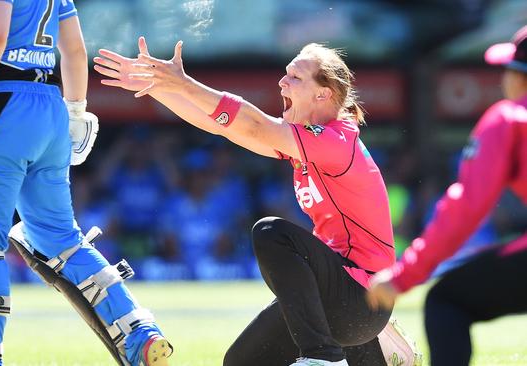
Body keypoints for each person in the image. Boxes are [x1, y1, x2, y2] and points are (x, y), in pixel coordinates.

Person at [93, 37, 415, 366]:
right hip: (339, 299)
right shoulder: (305, 139)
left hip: (360, 298)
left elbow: (257, 125)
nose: (282, 81)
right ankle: (372, 354)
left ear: (323, 93)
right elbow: (221, 125)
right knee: (240, 362)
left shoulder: (335, 141)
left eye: (295, 77)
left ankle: (324, 357)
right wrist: (158, 86)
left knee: (271, 233)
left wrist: (185, 84)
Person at [0, 1, 171, 365]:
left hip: (1, 105)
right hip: (51, 110)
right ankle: (138, 332)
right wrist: (75, 111)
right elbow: (73, 49)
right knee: (61, 239)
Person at [367, 25, 527, 366]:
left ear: (519, 76)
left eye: (508, 70)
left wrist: (404, 274)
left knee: (446, 300)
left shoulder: (510, 118)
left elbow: (467, 207)